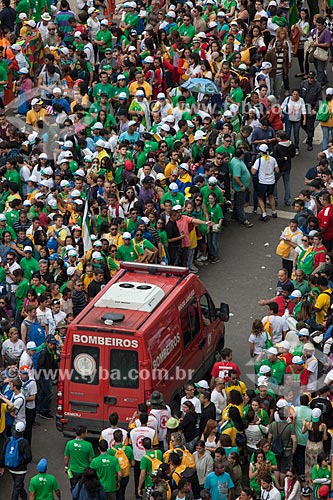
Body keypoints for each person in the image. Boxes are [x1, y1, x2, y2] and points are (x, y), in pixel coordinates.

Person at [0, 421, 32, 500]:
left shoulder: (8, 440)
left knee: (18, 483)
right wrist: (23, 463)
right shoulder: (24, 442)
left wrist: (2, 465)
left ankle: (24, 496)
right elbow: (29, 457)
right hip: (21, 469)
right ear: (23, 430)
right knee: (16, 487)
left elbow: (3, 453)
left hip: (11, 467)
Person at [251, 144, 279, 222]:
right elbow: (277, 170)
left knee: (260, 198)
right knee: (271, 196)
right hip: (271, 181)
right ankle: (274, 212)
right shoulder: (273, 159)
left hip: (262, 182)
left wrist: (251, 167)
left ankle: (264, 214)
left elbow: (253, 172)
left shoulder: (259, 160)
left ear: (261, 152)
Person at [64, 425, 95, 491]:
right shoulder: (88, 445)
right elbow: (90, 460)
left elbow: (66, 457)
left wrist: (66, 467)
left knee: (73, 487)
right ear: (82, 434)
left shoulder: (69, 443)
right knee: (85, 489)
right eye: (86, 432)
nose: (87, 433)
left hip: (72, 471)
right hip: (85, 472)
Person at [37, 334, 58, 419]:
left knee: (42, 393)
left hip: (47, 375)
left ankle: (40, 409)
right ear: (46, 343)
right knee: (49, 394)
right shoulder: (44, 352)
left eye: (53, 344)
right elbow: (40, 366)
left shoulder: (51, 351)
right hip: (44, 376)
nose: (52, 345)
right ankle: (44, 410)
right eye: (51, 344)